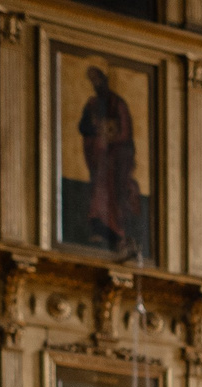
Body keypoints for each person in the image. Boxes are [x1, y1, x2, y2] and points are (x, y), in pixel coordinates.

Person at [78, 66, 140, 255]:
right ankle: (98, 226)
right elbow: (83, 127)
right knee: (98, 190)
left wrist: (111, 137)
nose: (96, 85)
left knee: (115, 193)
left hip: (116, 158)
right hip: (100, 159)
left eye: (98, 81)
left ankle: (118, 232)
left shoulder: (117, 103)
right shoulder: (92, 104)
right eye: (93, 82)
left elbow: (125, 132)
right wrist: (96, 129)